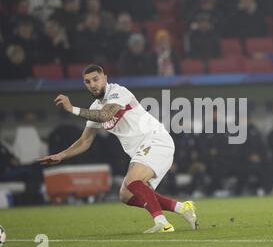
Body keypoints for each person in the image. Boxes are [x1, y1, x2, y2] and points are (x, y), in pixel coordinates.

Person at [39, 64, 197, 233]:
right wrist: (61, 155)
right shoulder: (94, 108)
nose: (92, 84)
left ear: (105, 78)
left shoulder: (118, 92)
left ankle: (163, 223)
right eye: (87, 81)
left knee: (133, 181)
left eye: (95, 79)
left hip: (155, 139)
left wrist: (72, 109)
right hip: (142, 149)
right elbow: (85, 141)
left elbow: (105, 115)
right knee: (126, 195)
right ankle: (182, 208)